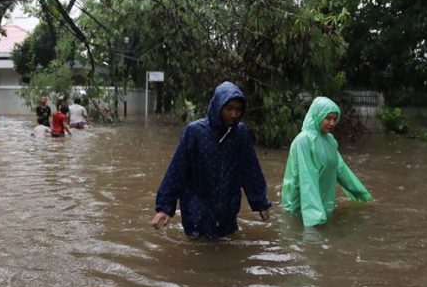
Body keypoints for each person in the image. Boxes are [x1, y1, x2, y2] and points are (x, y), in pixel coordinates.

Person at [151, 81, 271, 239]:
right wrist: (164, 208)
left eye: (238, 109)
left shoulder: (240, 134)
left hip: (227, 210)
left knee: (227, 248)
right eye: (229, 109)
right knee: (196, 250)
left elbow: (250, 169)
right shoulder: (194, 132)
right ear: (217, 107)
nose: (233, 114)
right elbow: (177, 170)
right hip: (196, 210)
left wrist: (260, 203)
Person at [281, 96, 372, 227]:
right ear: (317, 116)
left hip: (321, 204)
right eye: (328, 118)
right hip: (299, 208)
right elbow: (307, 178)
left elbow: (341, 169)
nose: (332, 123)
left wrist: (363, 195)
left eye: (335, 119)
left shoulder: (329, 141)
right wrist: (314, 218)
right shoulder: (303, 141)